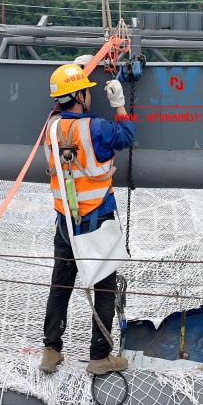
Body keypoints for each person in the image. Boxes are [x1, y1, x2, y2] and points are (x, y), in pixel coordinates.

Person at [40, 58, 135, 376]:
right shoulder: (97, 128)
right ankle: (99, 357)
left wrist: (76, 70)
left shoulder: (51, 129)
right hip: (97, 220)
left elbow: (59, 115)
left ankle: (51, 351)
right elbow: (127, 136)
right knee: (104, 288)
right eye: (85, 90)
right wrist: (119, 104)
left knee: (60, 286)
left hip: (65, 223)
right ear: (80, 96)